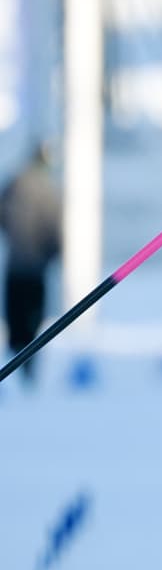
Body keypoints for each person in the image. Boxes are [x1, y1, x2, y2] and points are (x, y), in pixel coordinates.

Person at [0, 143, 62, 387]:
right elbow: (55, 228)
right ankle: (27, 370)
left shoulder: (14, 184)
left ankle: (16, 371)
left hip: (16, 265)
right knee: (32, 322)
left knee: (16, 320)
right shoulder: (49, 190)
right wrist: (52, 252)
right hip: (36, 268)